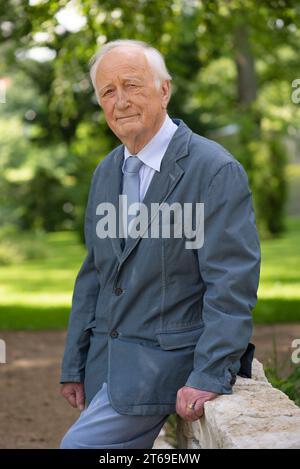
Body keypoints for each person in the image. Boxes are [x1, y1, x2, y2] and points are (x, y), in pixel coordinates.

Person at [59, 39, 260, 449]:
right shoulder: (106, 172)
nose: (120, 101)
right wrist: (74, 363)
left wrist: (209, 373)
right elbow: (95, 274)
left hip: (169, 365)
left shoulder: (214, 169)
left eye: (131, 85)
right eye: (107, 92)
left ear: (164, 89)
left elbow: (231, 283)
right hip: (107, 366)